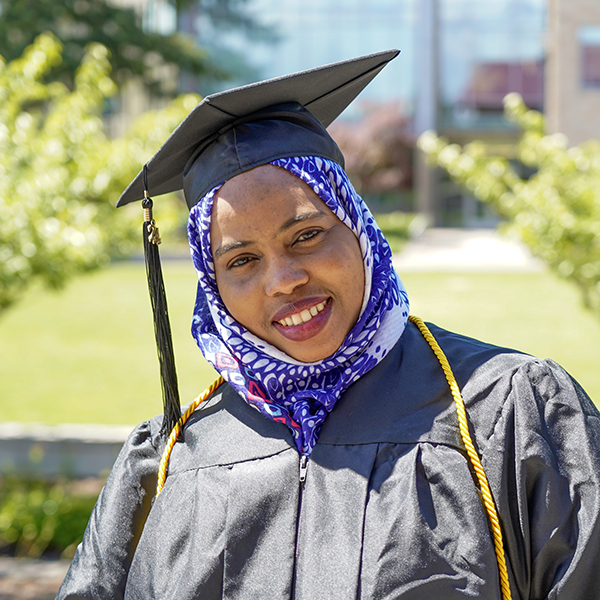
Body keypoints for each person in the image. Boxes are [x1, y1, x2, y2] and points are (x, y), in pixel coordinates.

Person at [57, 51, 600, 600]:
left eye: (307, 235)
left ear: (360, 230)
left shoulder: (508, 411)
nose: (284, 280)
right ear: (211, 285)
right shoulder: (173, 455)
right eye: (241, 261)